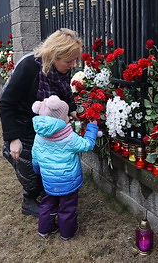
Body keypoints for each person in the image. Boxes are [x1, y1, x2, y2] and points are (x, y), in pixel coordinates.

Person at [0, 28, 83, 217]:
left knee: (46, 162)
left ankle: (46, 192)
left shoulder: (61, 70)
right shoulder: (30, 67)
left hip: (43, 124)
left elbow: (64, 92)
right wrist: (13, 138)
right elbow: (6, 103)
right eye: (69, 61)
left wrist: (73, 109)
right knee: (28, 163)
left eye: (73, 60)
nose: (72, 65)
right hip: (23, 122)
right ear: (54, 55)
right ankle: (29, 200)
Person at [31, 95, 98, 240]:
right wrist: (92, 126)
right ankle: (67, 233)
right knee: (67, 207)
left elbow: (35, 156)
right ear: (60, 119)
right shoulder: (68, 137)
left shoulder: (39, 136)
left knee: (47, 203)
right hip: (68, 179)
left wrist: (38, 170)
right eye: (66, 115)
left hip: (48, 178)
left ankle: (44, 229)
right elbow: (87, 145)